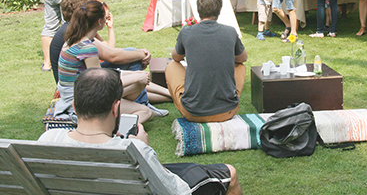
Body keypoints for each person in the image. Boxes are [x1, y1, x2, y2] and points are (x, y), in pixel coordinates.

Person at [39, 68, 242, 195]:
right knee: (229, 173)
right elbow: (175, 191)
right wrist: (142, 148)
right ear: (115, 108)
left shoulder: (48, 139)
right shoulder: (133, 149)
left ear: (74, 106)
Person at [49, 0, 171, 116]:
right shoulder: (86, 47)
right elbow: (100, 85)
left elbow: (107, 59)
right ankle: (112, 129)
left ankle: (155, 99)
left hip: (80, 92)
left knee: (138, 80)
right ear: (99, 21)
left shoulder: (75, 38)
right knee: (145, 112)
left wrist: (135, 75)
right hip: (82, 100)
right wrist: (134, 76)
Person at [166, 0, 248, 123]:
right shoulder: (230, 32)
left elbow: (176, 58)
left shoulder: (186, 32)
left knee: (171, 66)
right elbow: (242, 58)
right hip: (228, 111)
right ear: (219, 11)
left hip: (193, 112)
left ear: (198, 11)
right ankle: (228, 97)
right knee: (240, 67)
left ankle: (184, 101)